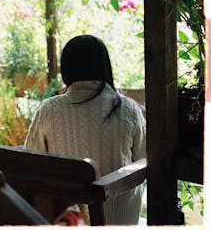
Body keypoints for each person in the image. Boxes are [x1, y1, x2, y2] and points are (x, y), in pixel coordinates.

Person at [24, 34, 146, 225]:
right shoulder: (128, 109)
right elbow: (143, 162)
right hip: (121, 221)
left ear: (67, 69)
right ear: (105, 67)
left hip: (72, 222)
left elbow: (31, 164)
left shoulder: (49, 110)